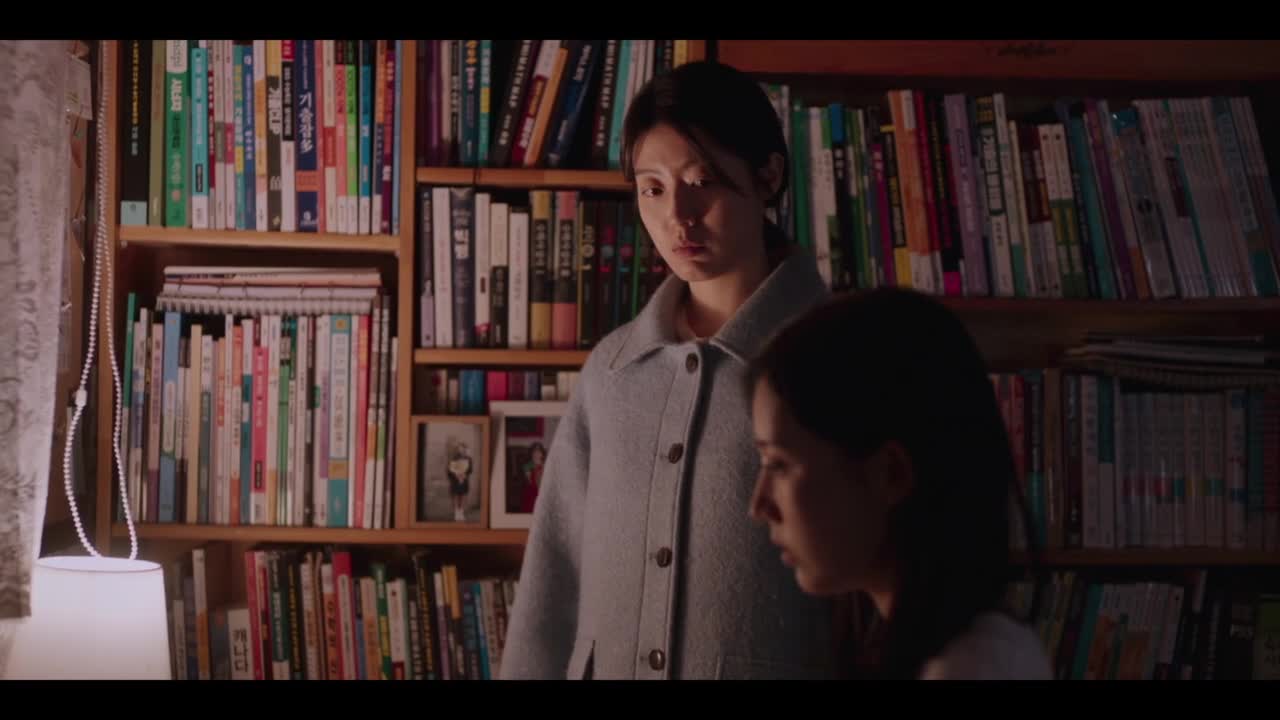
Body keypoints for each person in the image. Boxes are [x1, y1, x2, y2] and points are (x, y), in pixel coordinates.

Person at [499, 60, 838, 680]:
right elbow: (553, 574)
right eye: (651, 188)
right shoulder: (612, 370)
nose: (677, 216)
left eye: (701, 180)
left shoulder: (843, 357)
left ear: (768, 175)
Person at [746, 287, 1053, 680]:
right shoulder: (937, 647)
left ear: (891, 473)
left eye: (778, 464)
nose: (758, 506)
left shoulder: (969, 668)